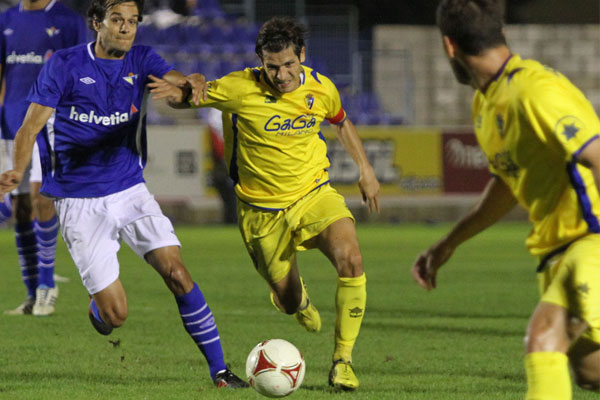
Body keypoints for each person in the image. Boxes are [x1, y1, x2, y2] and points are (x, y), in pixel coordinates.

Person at [0, 0, 247, 389]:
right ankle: (98, 307)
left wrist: (194, 81)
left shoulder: (143, 59)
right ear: (97, 23)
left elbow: (183, 82)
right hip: (79, 203)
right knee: (115, 316)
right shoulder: (64, 65)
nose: (126, 28)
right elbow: (30, 127)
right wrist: (16, 170)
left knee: (178, 273)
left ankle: (220, 371)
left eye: (132, 21)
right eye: (117, 20)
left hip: (130, 190)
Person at [149, 16, 381, 391]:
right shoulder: (240, 87)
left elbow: (341, 121)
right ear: (261, 61)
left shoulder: (321, 88)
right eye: (272, 67)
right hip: (261, 212)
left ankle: (343, 361)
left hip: (313, 194)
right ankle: (298, 299)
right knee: (287, 300)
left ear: (302, 55)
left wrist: (365, 169)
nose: (282, 75)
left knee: (351, 258)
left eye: (289, 64)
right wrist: (176, 92)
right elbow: (191, 96)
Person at [411, 1, 600, 399]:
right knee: (589, 371)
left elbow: (597, 157)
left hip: (591, 239)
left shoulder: (534, 90)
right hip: (556, 251)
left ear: (449, 47)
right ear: (502, 32)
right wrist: (448, 244)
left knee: (544, 339)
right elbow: (509, 184)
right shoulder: (485, 102)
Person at [0, 0, 86, 316]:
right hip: (10, 124)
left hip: (50, 121)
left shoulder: (68, 20)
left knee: (41, 197)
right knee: (20, 208)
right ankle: (31, 293)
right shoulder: (6, 19)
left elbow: (81, 72)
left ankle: (48, 285)